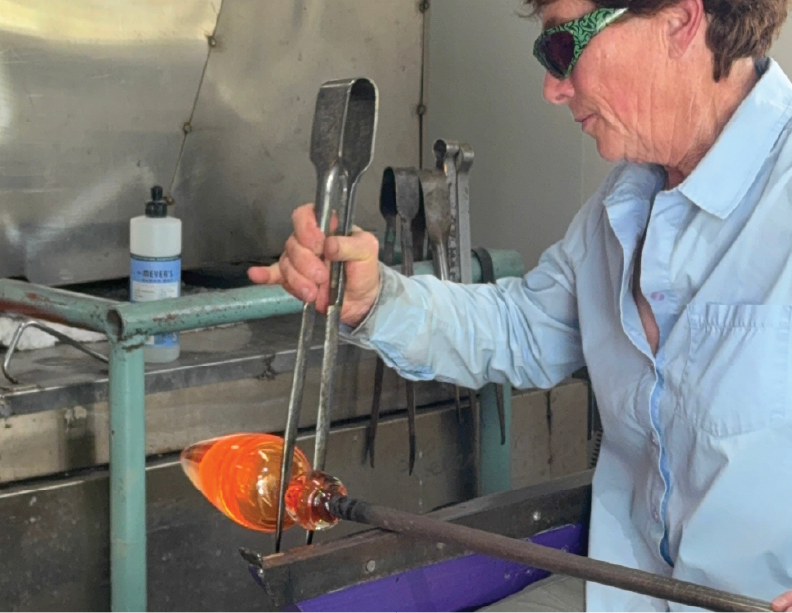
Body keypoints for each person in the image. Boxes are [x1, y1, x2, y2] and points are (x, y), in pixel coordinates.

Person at [248, 0, 792, 608]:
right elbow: (523, 329)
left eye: (563, 46)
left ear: (679, 21)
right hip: (621, 591)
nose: (552, 87)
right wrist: (374, 301)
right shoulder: (627, 202)